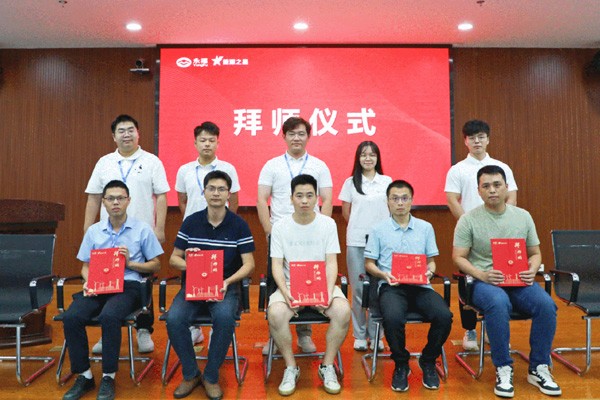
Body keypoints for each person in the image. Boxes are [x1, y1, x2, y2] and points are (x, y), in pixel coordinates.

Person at [452, 165, 561, 398]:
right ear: (479, 191)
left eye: (497, 185)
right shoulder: (468, 220)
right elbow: (458, 257)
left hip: (519, 280)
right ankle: (503, 367)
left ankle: (539, 367)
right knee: (498, 302)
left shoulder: (523, 216)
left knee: (546, 305)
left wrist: (532, 269)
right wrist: (481, 275)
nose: (492, 190)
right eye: (486, 186)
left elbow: (535, 253)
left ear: (506, 187)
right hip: (484, 283)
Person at [61, 180, 163, 400]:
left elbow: (156, 265)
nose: (115, 202)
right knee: (71, 317)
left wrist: (131, 263)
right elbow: (85, 266)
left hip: (128, 286)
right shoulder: (94, 231)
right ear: (104, 202)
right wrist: (89, 281)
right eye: (110, 198)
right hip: (99, 286)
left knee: (110, 316)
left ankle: (108, 376)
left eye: (120, 198)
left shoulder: (142, 229)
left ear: (128, 201)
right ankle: (85, 376)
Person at [84, 114, 170, 354]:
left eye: (131, 130)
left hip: (141, 232)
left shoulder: (151, 161)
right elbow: (93, 197)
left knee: (143, 279)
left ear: (138, 133)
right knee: (106, 280)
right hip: (108, 233)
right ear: (114, 136)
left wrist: (159, 228)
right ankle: (107, 330)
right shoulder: (104, 163)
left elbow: (161, 196)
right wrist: (87, 229)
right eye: (121, 131)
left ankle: (143, 329)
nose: (126, 134)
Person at [166, 170, 255, 399]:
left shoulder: (239, 225)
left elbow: (249, 264)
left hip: (225, 287)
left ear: (228, 194)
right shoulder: (191, 222)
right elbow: (174, 259)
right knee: (174, 318)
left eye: (221, 189)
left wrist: (227, 281)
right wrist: (190, 262)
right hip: (193, 286)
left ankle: (211, 376)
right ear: (204, 192)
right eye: (211, 189)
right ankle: (191, 373)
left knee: (225, 318)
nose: (216, 193)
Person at [364, 180, 453, 392]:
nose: (400, 203)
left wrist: (430, 271)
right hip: (392, 286)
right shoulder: (378, 230)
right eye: (395, 198)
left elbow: (431, 261)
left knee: (444, 316)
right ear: (387, 202)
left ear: (412, 200)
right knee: (393, 318)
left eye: (404, 198)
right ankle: (401, 363)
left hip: (421, 286)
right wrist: (383, 274)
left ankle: (428, 360)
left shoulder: (425, 227)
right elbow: (369, 264)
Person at [267, 174, 350, 396]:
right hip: (290, 287)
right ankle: (291, 367)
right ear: (291, 198)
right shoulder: (280, 226)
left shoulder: (328, 224)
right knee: (275, 313)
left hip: (321, 285)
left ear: (316, 198)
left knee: (343, 311)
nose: (304, 200)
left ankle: (327, 365)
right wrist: (285, 292)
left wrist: (326, 292)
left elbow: (331, 262)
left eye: (310, 195)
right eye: (299, 196)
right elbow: (276, 266)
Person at [257, 116, 333, 355]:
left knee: (309, 280)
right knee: (276, 283)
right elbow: (261, 199)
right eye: (291, 134)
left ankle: (304, 334)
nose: (296, 138)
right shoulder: (272, 165)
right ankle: (274, 336)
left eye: (301, 133)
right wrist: (269, 231)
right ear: (284, 136)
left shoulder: (319, 166)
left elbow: (327, 199)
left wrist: (323, 229)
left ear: (308, 137)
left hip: (312, 235)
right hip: (281, 236)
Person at [445, 119, 518, 351]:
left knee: (499, 278)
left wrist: (504, 224)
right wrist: (469, 225)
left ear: (488, 139)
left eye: (481, 137)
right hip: (471, 233)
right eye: (472, 137)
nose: (477, 141)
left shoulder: (502, 167)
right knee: (467, 278)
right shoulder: (457, 169)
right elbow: (451, 200)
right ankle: (470, 330)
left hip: (501, 234)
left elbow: (512, 196)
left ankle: (494, 328)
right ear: (465, 141)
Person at [175, 121, 241, 345]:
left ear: (218, 143)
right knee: (191, 277)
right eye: (202, 140)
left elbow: (234, 201)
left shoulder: (228, 169)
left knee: (219, 277)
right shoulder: (184, 170)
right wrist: (193, 223)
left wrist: (224, 224)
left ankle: (216, 327)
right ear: (195, 143)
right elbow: (182, 200)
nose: (207, 144)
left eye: (211, 140)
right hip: (194, 232)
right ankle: (194, 328)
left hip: (221, 232)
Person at [338, 141, 391, 352]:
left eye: (372, 155)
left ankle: (377, 334)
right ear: (358, 158)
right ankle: (360, 334)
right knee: (359, 289)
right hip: (357, 242)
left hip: (382, 244)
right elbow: (346, 213)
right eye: (363, 155)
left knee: (380, 289)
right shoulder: (350, 182)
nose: (368, 158)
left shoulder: (386, 182)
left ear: (378, 158)